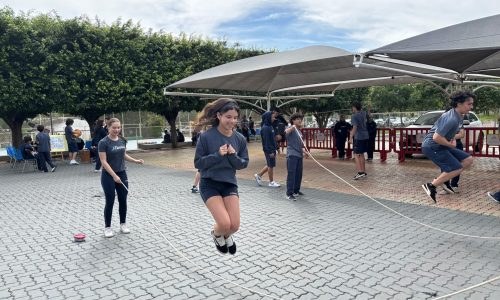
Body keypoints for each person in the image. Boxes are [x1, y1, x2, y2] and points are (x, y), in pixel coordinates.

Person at [194, 98, 249, 255]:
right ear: (219, 116)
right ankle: (217, 234)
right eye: (228, 117)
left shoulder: (240, 139)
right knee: (224, 223)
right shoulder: (206, 137)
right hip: (209, 183)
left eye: (235, 117)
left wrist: (233, 156)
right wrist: (217, 155)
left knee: (235, 226)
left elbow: (243, 164)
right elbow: (198, 163)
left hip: (229, 183)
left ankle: (227, 235)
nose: (232, 121)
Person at [421, 91, 475, 203]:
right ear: (459, 104)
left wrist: (451, 139)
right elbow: (436, 137)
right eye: (469, 104)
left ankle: (443, 179)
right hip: (432, 146)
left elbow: (446, 133)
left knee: (468, 159)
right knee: (456, 168)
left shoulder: (459, 115)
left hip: (440, 144)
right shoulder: (452, 118)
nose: (471, 107)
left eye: (472, 104)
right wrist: (450, 144)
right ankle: (431, 186)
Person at [98, 118, 144, 238]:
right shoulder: (103, 142)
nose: (117, 130)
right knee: (110, 201)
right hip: (108, 175)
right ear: (108, 127)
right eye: (114, 127)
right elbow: (103, 162)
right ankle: (107, 227)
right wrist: (114, 176)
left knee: (123, 200)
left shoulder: (122, 141)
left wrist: (136, 161)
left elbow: (123, 154)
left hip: (122, 173)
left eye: (119, 127)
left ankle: (123, 224)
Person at [284, 113, 309, 201]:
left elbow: (299, 145)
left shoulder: (299, 131)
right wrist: (293, 127)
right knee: (291, 174)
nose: (299, 120)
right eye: (297, 119)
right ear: (293, 120)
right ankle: (289, 193)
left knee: (299, 174)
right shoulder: (290, 128)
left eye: (300, 119)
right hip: (292, 155)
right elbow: (286, 133)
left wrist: (304, 151)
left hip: (299, 155)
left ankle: (296, 191)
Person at [254, 108, 281, 188]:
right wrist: (270, 152)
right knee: (270, 165)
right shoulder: (266, 128)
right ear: (268, 118)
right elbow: (267, 141)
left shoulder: (270, 126)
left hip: (271, 149)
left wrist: (277, 148)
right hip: (269, 150)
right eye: (272, 117)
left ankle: (259, 175)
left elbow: (272, 139)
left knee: (270, 164)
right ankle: (271, 182)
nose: (274, 118)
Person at [349, 102, 369, 179]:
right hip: (365, 136)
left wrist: (350, 137)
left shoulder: (354, 116)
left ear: (354, 107)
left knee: (356, 154)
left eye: (352, 107)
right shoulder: (364, 113)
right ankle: (363, 171)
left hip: (359, 137)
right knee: (362, 154)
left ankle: (360, 172)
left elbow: (354, 127)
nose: (352, 109)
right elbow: (368, 114)